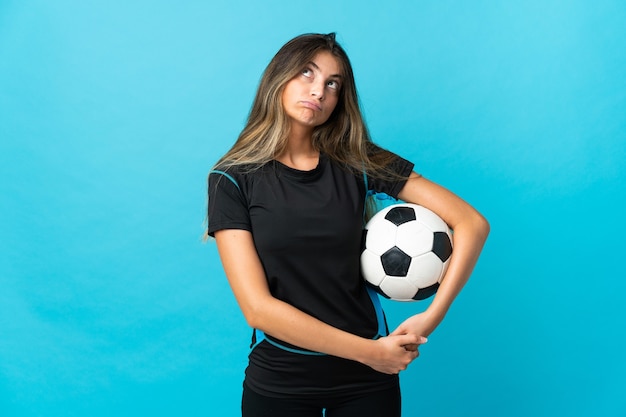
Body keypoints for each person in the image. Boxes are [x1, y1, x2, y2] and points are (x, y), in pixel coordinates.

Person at [206, 33, 489, 417]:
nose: (318, 91)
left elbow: (471, 223)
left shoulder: (357, 160)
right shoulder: (232, 179)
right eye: (306, 73)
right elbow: (258, 309)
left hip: (367, 384)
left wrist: (430, 318)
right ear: (279, 78)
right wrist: (372, 353)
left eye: (332, 83)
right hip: (283, 380)